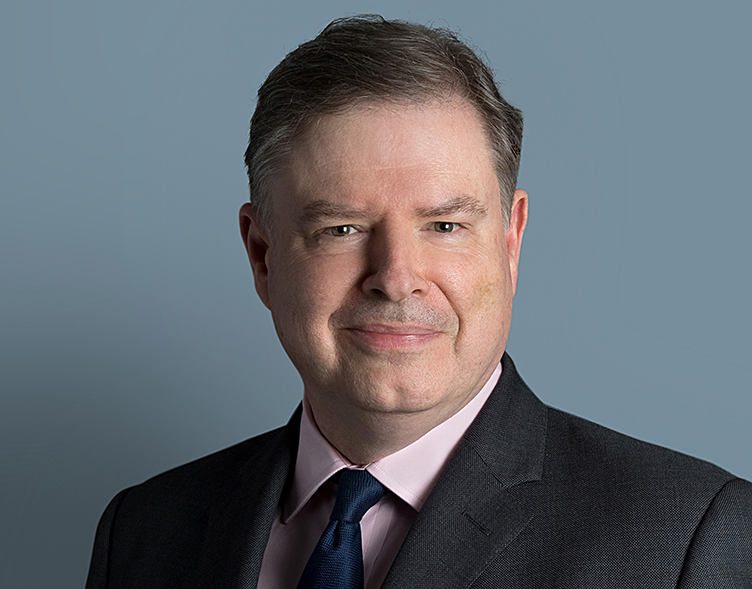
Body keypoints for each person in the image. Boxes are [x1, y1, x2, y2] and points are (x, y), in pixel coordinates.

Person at [85, 15, 752, 588]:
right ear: (263, 254)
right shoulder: (143, 532)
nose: (396, 277)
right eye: (342, 229)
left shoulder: (687, 540)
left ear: (511, 242)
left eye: (445, 225)